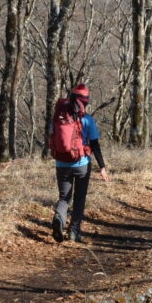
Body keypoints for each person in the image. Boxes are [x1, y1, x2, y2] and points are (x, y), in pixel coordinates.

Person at [50, 83, 110, 243]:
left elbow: (52, 138)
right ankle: (74, 231)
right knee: (79, 198)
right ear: (85, 101)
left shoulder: (58, 118)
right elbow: (95, 145)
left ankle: (59, 217)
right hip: (82, 164)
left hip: (61, 164)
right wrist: (102, 167)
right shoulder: (88, 120)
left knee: (64, 198)